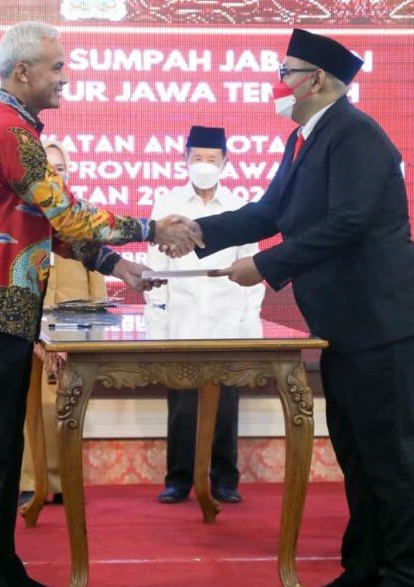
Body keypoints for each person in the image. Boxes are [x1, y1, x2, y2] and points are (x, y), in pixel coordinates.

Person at [0, 21, 199, 587]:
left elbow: (50, 229)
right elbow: (69, 215)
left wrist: (116, 266)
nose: (65, 77)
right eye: (57, 67)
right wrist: (151, 228)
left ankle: (0, 570)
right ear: (23, 71)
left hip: (1, 313)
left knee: (1, 452)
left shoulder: (14, 128)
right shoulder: (9, 131)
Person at [193, 29, 414, 587]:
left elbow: (349, 222)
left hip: (384, 319)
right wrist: (196, 231)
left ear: (317, 80)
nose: (278, 83)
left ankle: (408, 574)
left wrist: (265, 265)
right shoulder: (305, 138)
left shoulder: (356, 134)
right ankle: (366, 567)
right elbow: (269, 212)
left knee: (389, 454)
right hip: (348, 324)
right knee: (358, 452)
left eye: (286, 72)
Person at [144, 125, 265, 505]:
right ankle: (178, 479)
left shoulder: (239, 207)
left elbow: (253, 272)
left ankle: (224, 479)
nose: (204, 165)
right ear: (185, 160)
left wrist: (250, 328)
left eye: (212, 159)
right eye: (198, 158)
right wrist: (157, 327)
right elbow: (156, 271)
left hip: (228, 322)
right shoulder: (166, 205)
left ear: (226, 162)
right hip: (181, 321)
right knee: (182, 405)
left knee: (226, 404)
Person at [18, 140, 107, 509]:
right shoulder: (21, 220)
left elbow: (97, 288)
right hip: (26, 336)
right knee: (29, 410)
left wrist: (92, 339)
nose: (56, 175)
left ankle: (64, 482)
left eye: (62, 169)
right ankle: (31, 482)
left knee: (65, 410)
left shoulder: (81, 221)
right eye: (49, 169)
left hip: (72, 338)